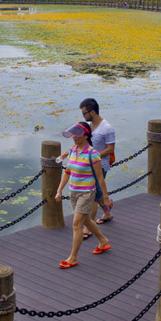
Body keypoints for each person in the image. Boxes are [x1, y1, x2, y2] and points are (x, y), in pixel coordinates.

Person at [54, 121, 112, 269]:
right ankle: (103, 240)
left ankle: (72, 258)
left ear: (86, 135)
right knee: (86, 220)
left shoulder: (93, 154)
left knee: (76, 224)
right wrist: (59, 190)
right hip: (74, 192)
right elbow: (68, 172)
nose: (74, 138)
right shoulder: (73, 151)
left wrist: (105, 198)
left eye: (78, 135)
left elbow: (100, 178)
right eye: (73, 135)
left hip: (87, 192)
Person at [80, 98, 115, 226]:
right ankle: (107, 213)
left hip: (101, 165)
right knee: (99, 193)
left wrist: (93, 156)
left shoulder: (107, 128)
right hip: (89, 165)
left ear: (93, 112)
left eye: (84, 113)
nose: (83, 116)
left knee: (93, 196)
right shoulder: (89, 126)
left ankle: (89, 227)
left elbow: (110, 149)